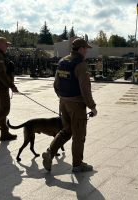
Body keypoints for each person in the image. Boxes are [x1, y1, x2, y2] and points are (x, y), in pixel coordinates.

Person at [42, 38, 97, 172]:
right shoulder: (80, 64)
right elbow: (85, 88)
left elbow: (56, 84)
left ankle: (50, 153)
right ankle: (77, 165)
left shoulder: (63, 61)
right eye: (86, 49)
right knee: (79, 135)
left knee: (66, 131)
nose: (86, 51)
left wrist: (62, 97)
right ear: (81, 49)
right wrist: (92, 106)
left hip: (64, 102)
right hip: (76, 105)